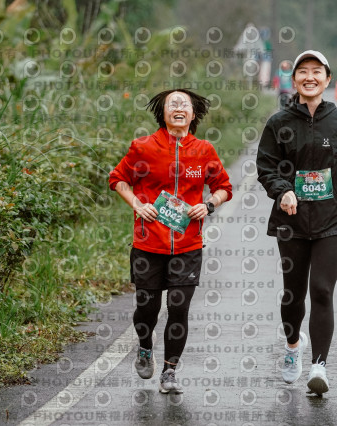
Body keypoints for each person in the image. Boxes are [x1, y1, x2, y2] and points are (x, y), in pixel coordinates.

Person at [256, 50, 337, 396]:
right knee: (293, 294)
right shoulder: (279, 123)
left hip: (333, 217)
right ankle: (293, 345)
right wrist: (283, 191)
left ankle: (319, 366)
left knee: (322, 290)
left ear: (327, 79)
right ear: (294, 80)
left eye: (316, 71)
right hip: (291, 219)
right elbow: (265, 166)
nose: (309, 77)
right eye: (303, 72)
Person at [109, 89, 232, 394]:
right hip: (148, 244)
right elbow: (118, 179)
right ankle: (145, 346)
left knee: (178, 308)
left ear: (193, 114)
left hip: (188, 245)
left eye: (184, 104)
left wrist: (209, 204)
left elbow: (224, 187)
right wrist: (137, 204)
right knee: (147, 309)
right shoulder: (143, 147)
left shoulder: (204, 150)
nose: (178, 108)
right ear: (162, 114)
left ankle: (169, 371)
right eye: (172, 104)